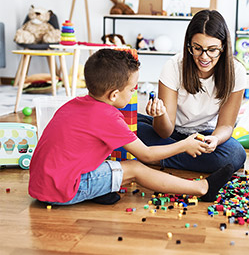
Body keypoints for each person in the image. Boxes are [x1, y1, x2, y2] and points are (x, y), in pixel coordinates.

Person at [28, 49, 235, 205]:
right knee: (135, 169)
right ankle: (202, 188)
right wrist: (184, 145)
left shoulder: (74, 104)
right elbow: (146, 155)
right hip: (60, 191)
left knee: (118, 167)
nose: (134, 92)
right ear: (114, 95)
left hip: (42, 183)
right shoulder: (107, 116)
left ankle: (98, 189)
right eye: (132, 89)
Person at [137, 10, 247, 173]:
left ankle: (152, 156)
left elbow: (225, 125)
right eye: (197, 48)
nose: (204, 57)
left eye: (212, 50)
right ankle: (157, 155)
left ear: (223, 47)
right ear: (189, 45)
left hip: (203, 135)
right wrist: (160, 115)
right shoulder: (174, 66)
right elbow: (164, 131)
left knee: (234, 154)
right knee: (127, 128)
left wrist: (215, 139)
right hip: (171, 133)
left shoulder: (236, 71)